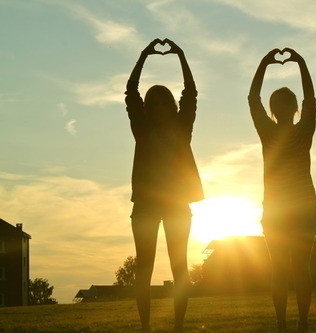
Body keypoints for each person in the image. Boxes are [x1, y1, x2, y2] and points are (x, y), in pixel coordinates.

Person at [125, 38, 204, 333]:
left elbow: (191, 94)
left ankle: (179, 327)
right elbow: (131, 92)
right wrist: (144, 54)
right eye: (152, 101)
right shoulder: (141, 130)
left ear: (170, 105)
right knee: (143, 269)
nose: (158, 105)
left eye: (163, 100)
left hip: (176, 205)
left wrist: (181, 55)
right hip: (145, 206)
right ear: (147, 106)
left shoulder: (182, 127)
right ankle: (145, 327)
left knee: (179, 267)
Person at [248, 48, 316, 333]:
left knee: (291, 270)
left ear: (276, 110)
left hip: (291, 209)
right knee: (290, 270)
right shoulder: (287, 131)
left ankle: (295, 323)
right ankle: (289, 323)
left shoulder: (291, 131)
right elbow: (309, 100)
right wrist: (297, 62)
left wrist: (269, 63)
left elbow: (254, 99)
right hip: (287, 209)